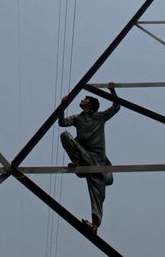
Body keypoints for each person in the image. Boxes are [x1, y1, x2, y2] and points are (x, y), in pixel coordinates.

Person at [58, 82, 120, 234]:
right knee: (65, 135)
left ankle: (94, 224)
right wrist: (62, 106)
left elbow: (116, 106)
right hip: (83, 154)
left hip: (97, 160)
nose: (82, 99)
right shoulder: (78, 118)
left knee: (97, 192)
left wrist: (112, 90)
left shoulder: (99, 117)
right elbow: (62, 123)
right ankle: (77, 162)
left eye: (85, 98)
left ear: (90, 104)